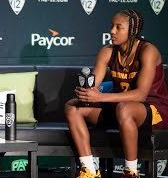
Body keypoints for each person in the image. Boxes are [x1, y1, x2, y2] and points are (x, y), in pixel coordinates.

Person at [64, 9, 168, 178]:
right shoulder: (108, 51)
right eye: (111, 26)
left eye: (118, 27)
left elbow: (141, 95)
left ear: (132, 30)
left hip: (154, 110)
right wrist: (85, 93)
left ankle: (130, 171)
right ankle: (89, 170)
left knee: (125, 108)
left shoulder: (148, 51)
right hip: (120, 109)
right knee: (72, 107)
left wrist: (101, 97)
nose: (112, 31)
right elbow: (94, 86)